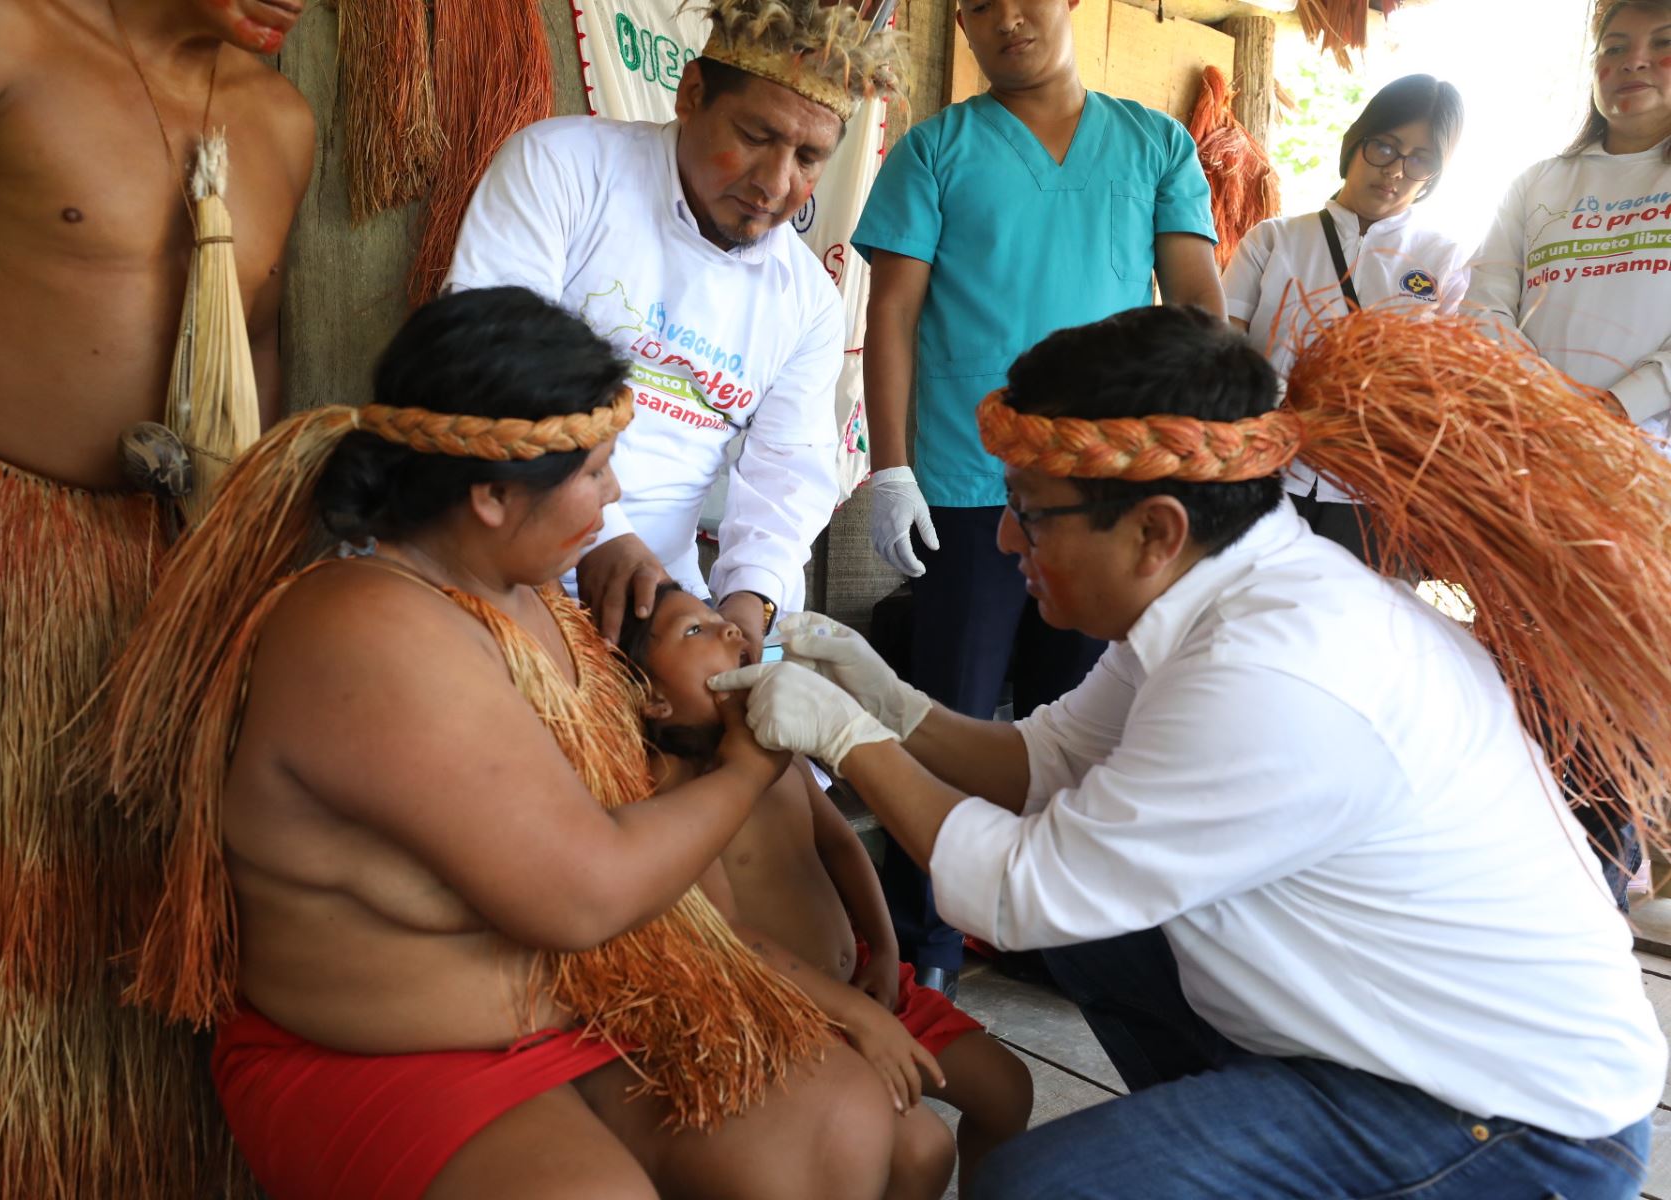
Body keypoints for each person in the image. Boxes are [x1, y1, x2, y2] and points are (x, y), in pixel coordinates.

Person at [711, 305, 1665, 1199]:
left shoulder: (1275, 674)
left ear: (1157, 532)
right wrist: (886, 696)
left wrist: (853, 740)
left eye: (1032, 512)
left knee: (1034, 1186)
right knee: (1103, 933)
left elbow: (1021, 892)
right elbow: (1041, 765)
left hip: (1511, 1124)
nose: (1006, 541)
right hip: (1397, 1034)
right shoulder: (1217, 594)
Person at [87, 286, 956, 1200]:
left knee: (842, 1126)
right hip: (388, 1051)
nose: (615, 495)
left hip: (575, 1010)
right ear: (494, 494)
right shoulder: (367, 629)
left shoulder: (524, 596)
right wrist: (750, 766)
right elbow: (583, 898)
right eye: (595, 472)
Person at [0, 1, 314, 1193]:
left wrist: (239, 590)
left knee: (100, 971)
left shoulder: (278, 117)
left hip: (149, 597)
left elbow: (253, 357)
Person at [849, 0, 1224, 997]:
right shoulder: (936, 150)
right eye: (977, 5)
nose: (1005, 18)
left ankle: (1058, 936)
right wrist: (892, 468)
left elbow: (1195, 302)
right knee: (946, 710)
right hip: (969, 484)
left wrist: (1195, 446)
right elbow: (892, 314)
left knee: (1080, 723)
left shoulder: (1155, 145)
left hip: (1111, 483)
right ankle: (918, 943)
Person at [444, 0, 905, 659]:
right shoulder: (564, 169)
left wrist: (751, 605)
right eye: (754, 136)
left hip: (659, 605)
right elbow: (485, 363)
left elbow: (788, 477)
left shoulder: (805, 301)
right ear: (691, 93)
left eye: (808, 157)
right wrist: (602, 536)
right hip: (492, 556)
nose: (775, 183)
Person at [620, 583, 1034, 1193]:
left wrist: (889, 951)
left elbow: (842, 848)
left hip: (862, 979)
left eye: (721, 618)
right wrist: (856, 1019)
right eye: (695, 631)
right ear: (651, 698)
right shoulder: (669, 795)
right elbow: (729, 941)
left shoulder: (777, 743)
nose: (733, 630)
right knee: (919, 1150)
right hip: (785, 1013)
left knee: (1008, 1092)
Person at [1465, 0, 1671, 907]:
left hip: (1651, 473)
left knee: (1629, 683)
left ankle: (1613, 873)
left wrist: (1615, 413)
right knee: (1535, 677)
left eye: (1664, 46)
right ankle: (1546, 877)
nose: (1635, 63)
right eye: (1614, 48)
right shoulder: (1542, 182)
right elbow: (1483, 303)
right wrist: (1548, 413)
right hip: (1538, 469)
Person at [1224, 73, 1468, 563]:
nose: (1396, 170)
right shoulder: (1273, 241)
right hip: (1263, 480)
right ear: (1355, 144)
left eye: (1420, 158)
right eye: (1384, 147)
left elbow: (1452, 387)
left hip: (1374, 498)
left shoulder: (1445, 261)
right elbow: (1221, 354)